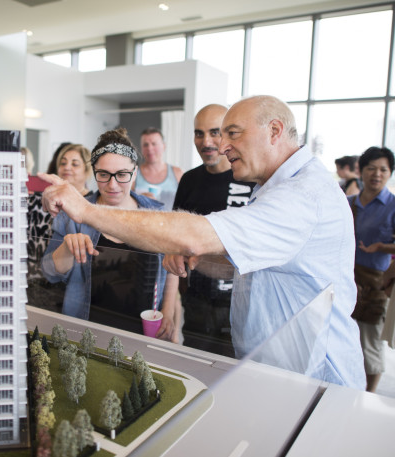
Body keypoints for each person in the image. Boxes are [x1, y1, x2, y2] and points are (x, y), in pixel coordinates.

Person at [40, 96, 364, 389]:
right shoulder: (275, 189)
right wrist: (201, 260)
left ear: (275, 130)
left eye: (232, 133)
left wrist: (83, 209)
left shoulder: (301, 197)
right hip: (279, 371)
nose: (222, 147)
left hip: (312, 379)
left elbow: (195, 234)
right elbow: (257, 264)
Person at [41, 129, 180, 342]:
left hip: (143, 329)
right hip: (86, 329)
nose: (112, 185)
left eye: (122, 175)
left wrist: (168, 312)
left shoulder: (157, 215)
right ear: (94, 172)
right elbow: (50, 272)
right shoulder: (72, 215)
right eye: (104, 175)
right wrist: (67, 248)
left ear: (135, 173)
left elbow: (172, 266)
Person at [172, 104, 255, 356]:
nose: (206, 142)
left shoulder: (249, 180)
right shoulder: (189, 180)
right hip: (196, 300)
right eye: (199, 133)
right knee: (196, 368)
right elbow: (175, 239)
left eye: (214, 132)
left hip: (241, 303)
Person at [348, 146, 395, 392]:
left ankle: (369, 396)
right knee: (343, 338)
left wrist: (383, 247)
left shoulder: (393, 205)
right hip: (346, 281)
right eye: (371, 168)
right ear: (361, 171)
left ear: (390, 173)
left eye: (383, 170)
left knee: (370, 346)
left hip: (375, 287)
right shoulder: (348, 203)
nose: (377, 174)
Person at [27, 144, 93, 311]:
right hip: (33, 280)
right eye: (63, 163)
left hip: (69, 288)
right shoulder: (43, 198)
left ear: (87, 170)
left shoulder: (92, 205)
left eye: (75, 163)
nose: (67, 167)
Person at [133, 127, 183, 209]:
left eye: (154, 144)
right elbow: (126, 201)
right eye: (146, 145)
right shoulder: (134, 174)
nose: (149, 148)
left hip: (171, 221)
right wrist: (138, 198)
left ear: (164, 146)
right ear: (141, 148)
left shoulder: (177, 173)